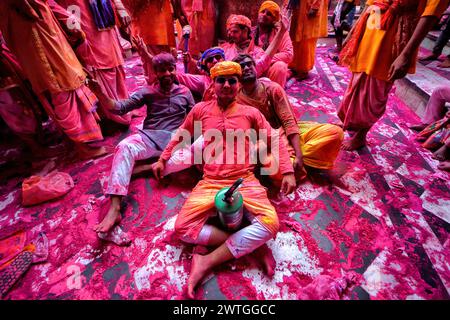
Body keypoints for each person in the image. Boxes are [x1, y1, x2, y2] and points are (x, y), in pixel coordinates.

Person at [152, 61, 296, 299]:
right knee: (182, 229)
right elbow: (181, 133)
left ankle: (207, 260)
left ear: (238, 85)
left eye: (232, 80)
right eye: (221, 80)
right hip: (210, 181)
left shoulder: (251, 113)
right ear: (213, 84)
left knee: (271, 224)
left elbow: (274, 138)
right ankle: (251, 246)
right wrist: (162, 158)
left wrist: (288, 170)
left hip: (245, 180)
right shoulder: (200, 110)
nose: (227, 85)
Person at [86, 53, 195, 233]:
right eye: (162, 70)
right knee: (124, 147)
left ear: (176, 69)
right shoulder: (147, 92)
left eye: (170, 69)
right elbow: (119, 108)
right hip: (150, 138)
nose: (167, 73)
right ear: (155, 72)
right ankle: (115, 208)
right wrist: (100, 93)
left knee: (197, 153)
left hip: (175, 142)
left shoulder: (185, 92)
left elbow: (194, 120)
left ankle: (144, 169)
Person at [337, 0, 450, 150]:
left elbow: (430, 15)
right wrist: (355, 32)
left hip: (395, 36)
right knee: (358, 78)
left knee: (376, 89)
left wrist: (406, 55)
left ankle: (361, 135)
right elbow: (372, 4)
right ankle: (351, 121)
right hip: (373, 25)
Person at [0, 0, 105, 159]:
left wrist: (70, 22)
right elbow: (31, 12)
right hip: (37, 35)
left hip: (39, 31)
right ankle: (82, 145)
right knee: (61, 85)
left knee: (62, 84)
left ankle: (79, 142)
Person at [233, 53, 344, 183]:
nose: (246, 68)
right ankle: (304, 162)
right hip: (265, 143)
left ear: (255, 67)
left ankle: (297, 160)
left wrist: (299, 154)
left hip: (288, 133)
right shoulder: (235, 99)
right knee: (274, 169)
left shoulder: (273, 89)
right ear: (237, 75)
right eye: (242, 66)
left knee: (335, 133)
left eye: (249, 64)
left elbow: (289, 122)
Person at [50, 0, 133, 127]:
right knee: (94, 62)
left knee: (112, 59)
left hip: (103, 15)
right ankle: (106, 114)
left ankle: (120, 107)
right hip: (77, 14)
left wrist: (119, 7)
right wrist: (69, 22)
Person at [220, 14, 288, 77]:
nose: (230, 35)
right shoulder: (224, 49)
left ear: (245, 31)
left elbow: (259, 67)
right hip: (228, 84)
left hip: (248, 85)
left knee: (280, 66)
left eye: (235, 31)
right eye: (229, 32)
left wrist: (281, 32)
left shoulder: (257, 51)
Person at [253, 1, 294, 87]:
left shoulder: (280, 32)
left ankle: (274, 95)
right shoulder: (251, 32)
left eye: (269, 14)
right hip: (254, 68)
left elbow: (288, 54)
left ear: (274, 20)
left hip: (271, 69)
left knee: (280, 66)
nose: (264, 15)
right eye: (262, 12)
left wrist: (265, 60)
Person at [287, 0, 329, 79]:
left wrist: (315, 7)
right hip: (299, 8)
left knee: (306, 41)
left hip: (309, 8)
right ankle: (295, 65)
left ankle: (303, 69)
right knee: (295, 39)